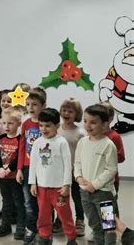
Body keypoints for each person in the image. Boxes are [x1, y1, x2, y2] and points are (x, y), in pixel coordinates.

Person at [28, 108, 77, 245]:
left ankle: (71, 238)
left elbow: (68, 165)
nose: (44, 128)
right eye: (41, 125)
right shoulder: (37, 142)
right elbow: (33, 164)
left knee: (64, 215)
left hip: (59, 188)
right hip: (42, 187)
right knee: (43, 215)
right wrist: (33, 183)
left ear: (57, 126)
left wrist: (67, 185)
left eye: (48, 125)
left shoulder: (62, 142)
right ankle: (44, 236)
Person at [74, 104, 118, 245]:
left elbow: (111, 170)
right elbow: (77, 163)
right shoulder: (82, 142)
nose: (88, 125)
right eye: (85, 121)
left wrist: (95, 184)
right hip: (85, 193)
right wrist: (78, 177)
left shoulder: (108, 145)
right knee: (94, 223)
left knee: (108, 225)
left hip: (103, 193)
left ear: (104, 124)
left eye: (93, 122)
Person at [16, 87, 46, 244]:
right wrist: (20, 169)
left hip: (44, 169)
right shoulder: (26, 124)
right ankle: (31, 228)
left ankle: (44, 229)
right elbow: (22, 146)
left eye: (34, 104)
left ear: (43, 105)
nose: (30, 108)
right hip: (28, 168)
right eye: (28, 104)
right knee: (29, 201)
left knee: (44, 201)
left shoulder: (46, 124)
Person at [0, 107, 25, 239]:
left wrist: (9, 169)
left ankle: (21, 227)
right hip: (3, 178)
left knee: (19, 202)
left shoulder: (20, 139)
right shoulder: (1, 138)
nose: (6, 126)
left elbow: (20, 157)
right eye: (4, 123)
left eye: (10, 123)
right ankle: (5, 225)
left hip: (15, 178)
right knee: (6, 202)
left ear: (19, 123)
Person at [57, 98, 86, 237]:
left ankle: (80, 220)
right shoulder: (56, 129)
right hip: (59, 172)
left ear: (76, 114)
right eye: (64, 110)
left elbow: (81, 155)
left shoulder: (80, 133)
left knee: (77, 197)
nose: (66, 113)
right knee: (60, 197)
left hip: (74, 172)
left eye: (70, 111)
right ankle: (59, 219)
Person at [99, 102, 125, 195]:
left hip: (110, 180)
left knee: (107, 207)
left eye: (104, 117)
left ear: (110, 118)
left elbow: (121, 157)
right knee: (95, 206)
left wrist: (104, 156)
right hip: (94, 179)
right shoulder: (91, 136)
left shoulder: (115, 137)